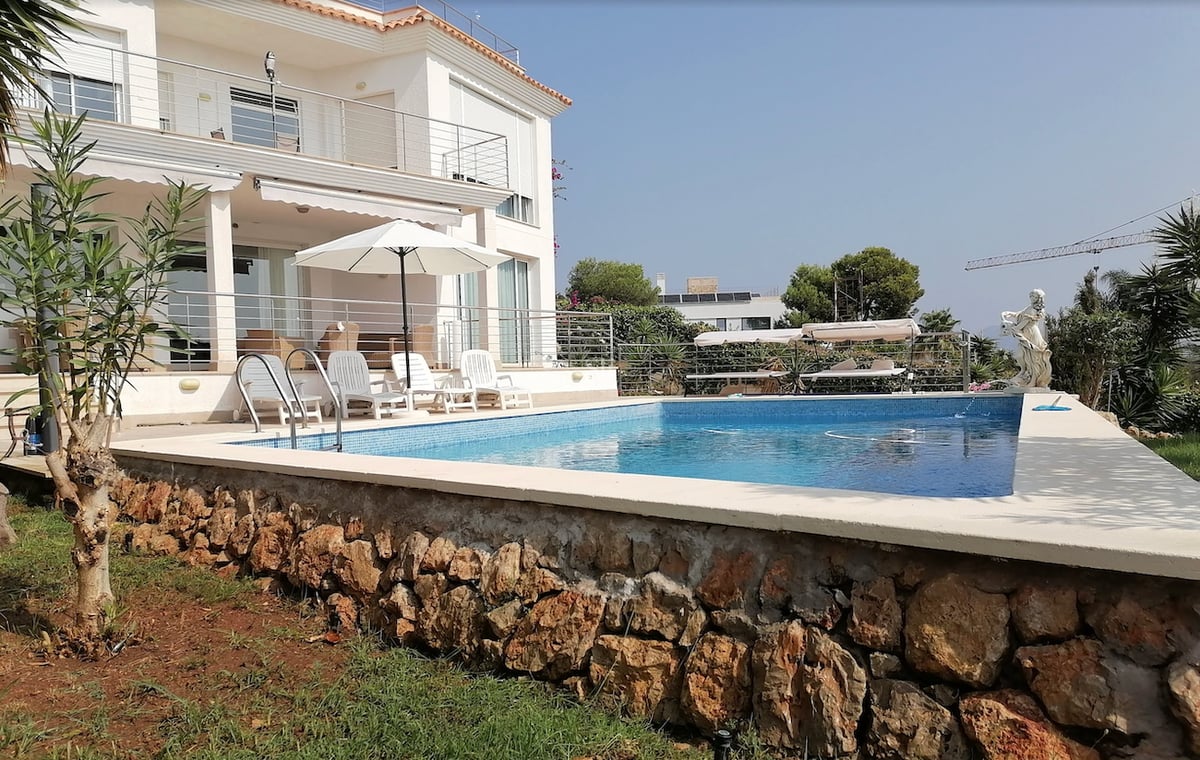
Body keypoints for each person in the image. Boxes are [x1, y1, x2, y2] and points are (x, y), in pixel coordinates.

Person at [1001, 289, 1052, 388]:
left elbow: (1021, 325)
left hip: (1032, 334)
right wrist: (1010, 314)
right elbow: (1020, 314)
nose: (1032, 298)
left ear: (1039, 299)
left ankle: (1033, 381)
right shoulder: (1030, 307)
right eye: (1031, 296)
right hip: (1026, 332)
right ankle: (1025, 374)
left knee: (1034, 359)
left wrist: (1011, 328)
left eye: (1035, 297)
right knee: (1022, 356)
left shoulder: (1034, 310)